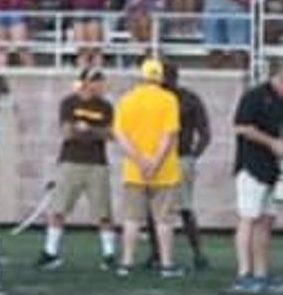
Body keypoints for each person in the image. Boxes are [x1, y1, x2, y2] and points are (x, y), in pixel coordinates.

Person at [39, 65, 118, 271]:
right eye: (95, 80)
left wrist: (88, 129)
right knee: (59, 209)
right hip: (71, 160)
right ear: (85, 82)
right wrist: (88, 132)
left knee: (103, 212)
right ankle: (50, 251)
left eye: (100, 80)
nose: (99, 84)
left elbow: (110, 134)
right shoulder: (69, 103)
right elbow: (67, 132)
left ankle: (109, 253)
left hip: (97, 163)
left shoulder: (106, 107)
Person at [231, 67, 283, 293]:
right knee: (248, 218)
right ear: (282, 79)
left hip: (273, 170)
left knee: (266, 221)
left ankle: (261, 273)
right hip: (251, 166)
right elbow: (241, 127)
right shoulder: (254, 96)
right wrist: (271, 143)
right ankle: (244, 273)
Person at [114, 58, 184, 278]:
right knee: (164, 220)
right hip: (165, 169)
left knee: (132, 219)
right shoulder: (169, 99)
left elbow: (121, 135)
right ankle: (166, 264)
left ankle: (127, 262)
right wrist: (155, 162)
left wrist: (140, 161)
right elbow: (169, 134)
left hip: (134, 170)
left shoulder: (127, 99)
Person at [162, 61, 212, 270]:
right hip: (161, 158)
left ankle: (197, 252)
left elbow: (204, 132)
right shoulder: (159, 100)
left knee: (183, 208)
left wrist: (193, 155)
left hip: (180, 157)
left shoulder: (188, 99)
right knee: (159, 210)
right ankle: (159, 253)